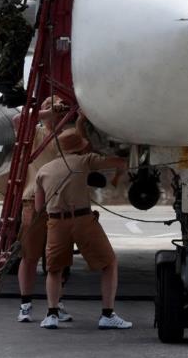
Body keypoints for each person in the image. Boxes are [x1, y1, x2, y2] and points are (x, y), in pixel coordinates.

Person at [33, 117, 132, 330]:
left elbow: (38, 208)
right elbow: (120, 163)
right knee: (109, 263)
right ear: (80, 148)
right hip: (82, 220)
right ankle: (107, 314)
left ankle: (51, 314)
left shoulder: (44, 171)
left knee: (54, 270)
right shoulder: (85, 161)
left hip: (55, 223)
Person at [12, 95, 73, 323]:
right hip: (33, 202)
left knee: (59, 260)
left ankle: (56, 303)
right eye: (48, 107)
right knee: (30, 256)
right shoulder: (34, 133)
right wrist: (49, 111)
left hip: (63, 204)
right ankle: (26, 304)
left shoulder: (70, 136)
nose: (54, 110)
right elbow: (19, 120)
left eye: (59, 106)